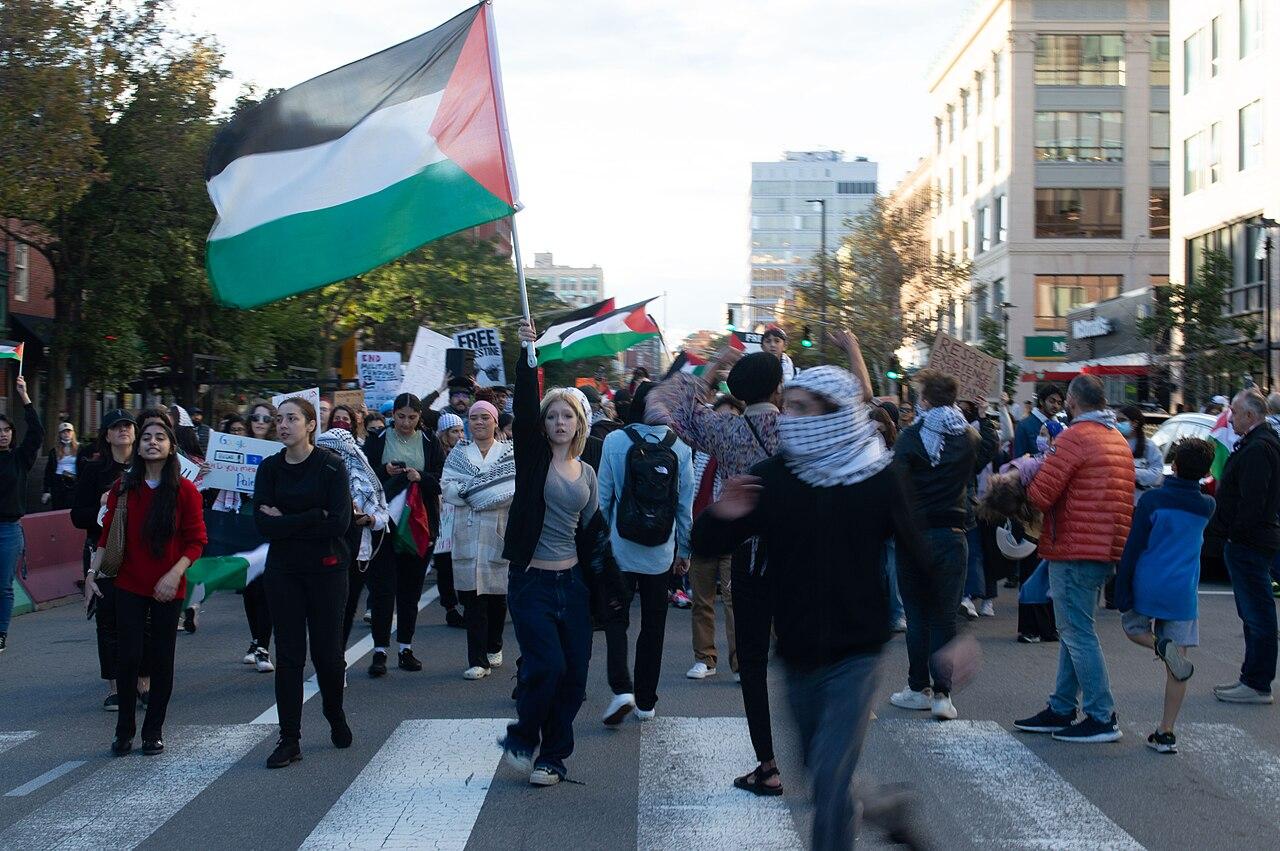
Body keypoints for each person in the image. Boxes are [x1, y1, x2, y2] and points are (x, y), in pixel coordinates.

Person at [692, 365, 927, 850]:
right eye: (789, 405)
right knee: (823, 773)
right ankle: (884, 808)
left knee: (829, 779)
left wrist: (949, 639)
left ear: (835, 413)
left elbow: (918, 554)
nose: (790, 417)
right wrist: (721, 515)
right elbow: (707, 543)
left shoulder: (878, 475)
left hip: (859, 652)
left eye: (802, 408)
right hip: (797, 652)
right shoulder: (774, 476)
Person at [499, 319, 625, 787]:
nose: (557, 422)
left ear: (579, 423)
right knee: (545, 666)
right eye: (552, 416)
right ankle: (521, 734)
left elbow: (593, 535)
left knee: (573, 678)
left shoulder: (588, 473)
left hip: (571, 587)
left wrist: (611, 585)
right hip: (531, 582)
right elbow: (524, 405)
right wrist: (526, 354)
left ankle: (553, 757)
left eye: (566, 416)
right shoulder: (532, 459)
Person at [1014, 375, 1135, 743]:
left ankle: (1101, 715)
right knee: (1073, 631)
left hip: (1074, 546)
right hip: (1103, 547)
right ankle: (1062, 707)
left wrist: (1025, 471)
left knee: (1077, 633)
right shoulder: (1116, 439)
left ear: (1071, 400)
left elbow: (1040, 494)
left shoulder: (1074, 437)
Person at [86, 419, 206, 756]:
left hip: (170, 587)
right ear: (138, 446)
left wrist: (174, 574)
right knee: (129, 658)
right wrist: (93, 574)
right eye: (147, 438)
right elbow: (106, 536)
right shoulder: (123, 488)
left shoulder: (186, 491)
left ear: (171, 447)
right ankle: (124, 729)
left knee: (161, 659)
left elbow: (196, 541)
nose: (153, 443)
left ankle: (153, 730)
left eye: (160, 438)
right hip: (129, 584)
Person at [889, 370, 997, 720]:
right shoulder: (968, 437)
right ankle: (942, 696)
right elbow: (987, 449)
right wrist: (984, 416)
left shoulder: (910, 436)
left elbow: (895, 485)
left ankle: (917, 686)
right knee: (945, 616)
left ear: (924, 399)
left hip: (915, 537)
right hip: (954, 535)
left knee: (917, 616)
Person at [253, 397, 353, 769]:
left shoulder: (331, 466)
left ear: (311, 425)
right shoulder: (269, 469)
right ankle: (289, 738)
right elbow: (262, 524)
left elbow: (339, 523)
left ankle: (335, 714)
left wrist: (288, 519)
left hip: (327, 570)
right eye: (279, 419)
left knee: (328, 655)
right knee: (289, 657)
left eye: (291, 418)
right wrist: (312, 515)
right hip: (283, 572)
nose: (282, 425)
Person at [597, 381, 694, 725]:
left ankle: (621, 687)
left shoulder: (613, 441)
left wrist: (602, 543)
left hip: (620, 550)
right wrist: (685, 549)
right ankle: (646, 701)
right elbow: (685, 505)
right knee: (654, 625)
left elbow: (603, 498)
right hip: (660, 551)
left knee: (616, 620)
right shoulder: (680, 447)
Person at [1115, 438, 1216, 753]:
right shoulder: (1207, 506)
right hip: (1182, 590)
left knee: (1133, 628)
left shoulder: (1153, 501)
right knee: (1179, 665)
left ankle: (1159, 644)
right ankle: (1166, 731)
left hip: (1149, 581)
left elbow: (1134, 546)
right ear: (1205, 472)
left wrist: (1122, 586)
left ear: (1176, 465)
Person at [361, 392, 444, 676]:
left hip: (419, 523)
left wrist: (420, 476)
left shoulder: (431, 442)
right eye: (401, 417)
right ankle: (379, 651)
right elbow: (364, 479)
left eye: (412, 417)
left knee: (410, 591)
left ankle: (405, 648)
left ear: (420, 417)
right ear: (392, 415)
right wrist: (384, 471)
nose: (406, 423)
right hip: (384, 525)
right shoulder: (377, 440)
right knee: (383, 590)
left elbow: (441, 480)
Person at [1206, 389, 1280, 704]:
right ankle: (1252, 679)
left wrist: (1234, 533)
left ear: (1249, 415)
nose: (1230, 418)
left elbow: (1253, 502)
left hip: (1249, 542)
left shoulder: (1259, 448)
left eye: (1234, 413)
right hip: (1249, 540)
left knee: (1258, 613)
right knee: (1253, 613)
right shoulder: (1257, 444)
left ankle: (1257, 682)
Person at [71, 408, 139, 710]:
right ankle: (115, 687)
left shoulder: (149, 466)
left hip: (141, 553)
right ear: (107, 435)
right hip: (103, 553)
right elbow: (77, 516)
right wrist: (104, 504)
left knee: (143, 618)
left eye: (128, 425)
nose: (123, 430)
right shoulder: (93, 471)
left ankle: (144, 682)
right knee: (108, 619)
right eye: (116, 427)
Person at [442, 401, 515, 680]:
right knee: (472, 598)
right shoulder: (458, 455)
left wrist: (473, 492)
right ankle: (477, 660)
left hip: (498, 528)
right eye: (474, 418)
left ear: (496, 422)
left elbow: (510, 488)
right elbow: (448, 487)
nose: (480, 422)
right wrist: (485, 493)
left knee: (497, 596)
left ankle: (494, 644)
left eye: (486, 417)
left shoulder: (508, 453)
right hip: (467, 529)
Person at [686, 395, 744, 679]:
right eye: (718, 417)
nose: (723, 422)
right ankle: (705, 659)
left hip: (734, 535)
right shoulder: (700, 450)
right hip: (703, 532)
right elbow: (689, 492)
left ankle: (740, 662)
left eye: (731, 417)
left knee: (735, 601)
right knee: (702, 599)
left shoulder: (742, 452)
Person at [320, 426, 390, 655]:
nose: (324, 455)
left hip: (355, 551)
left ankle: (336, 660)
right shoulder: (314, 475)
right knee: (324, 609)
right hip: (320, 550)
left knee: (346, 608)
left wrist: (367, 518)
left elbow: (381, 516)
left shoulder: (364, 477)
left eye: (329, 450)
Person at [1104, 405, 1166, 609]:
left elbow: (1156, 474)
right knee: (1116, 552)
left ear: (1135, 422)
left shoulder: (1148, 447)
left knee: (1136, 552)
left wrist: (1132, 473)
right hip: (1115, 505)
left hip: (1138, 507)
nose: (1118, 423)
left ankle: (1134, 593)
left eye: (1122, 419)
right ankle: (1113, 595)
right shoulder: (1112, 443)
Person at [0, 376, 43, 652]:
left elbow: (37, 433)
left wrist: (24, 396)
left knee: (3, 586)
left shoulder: (19, 458)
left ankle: (0, 633)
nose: (3, 434)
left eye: (6, 430)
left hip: (8, 531)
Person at [431, 413, 467, 629]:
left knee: (463, 560)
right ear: (444, 434)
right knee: (444, 563)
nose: (460, 435)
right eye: (455, 431)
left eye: (462, 430)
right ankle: (450, 608)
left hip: (461, 512)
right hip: (442, 513)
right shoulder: (436, 454)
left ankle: (466, 602)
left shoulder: (466, 452)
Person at [1012, 384, 1064, 458]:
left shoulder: (1059, 425)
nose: (1056, 406)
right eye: (1052, 401)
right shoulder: (1024, 425)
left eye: (1059, 403)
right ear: (1041, 402)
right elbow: (1018, 459)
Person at [42, 421, 79, 510]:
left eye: (68, 431)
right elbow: (49, 471)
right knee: (58, 508)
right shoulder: (54, 451)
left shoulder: (80, 449)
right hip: (58, 482)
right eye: (63, 432)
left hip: (74, 481)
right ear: (60, 434)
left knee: (72, 508)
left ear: (73, 433)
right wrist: (46, 491)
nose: (66, 434)